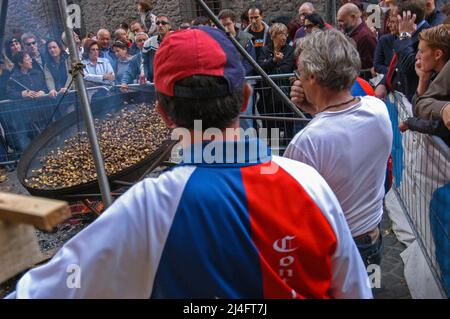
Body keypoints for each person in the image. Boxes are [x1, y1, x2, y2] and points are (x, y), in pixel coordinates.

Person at [7, 26, 371, 299]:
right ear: (245, 96)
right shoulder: (309, 183)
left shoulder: (149, 205)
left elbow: (42, 291)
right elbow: (354, 289)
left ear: (163, 113)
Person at [286, 29, 393, 267]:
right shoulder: (377, 109)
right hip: (371, 236)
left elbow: (295, 215)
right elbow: (344, 126)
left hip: (335, 250)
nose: (299, 80)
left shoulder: (305, 143)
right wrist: (314, 109)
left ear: (312, 76)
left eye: (300, 74)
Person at [399, 24, 450, 144]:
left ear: (437, 54)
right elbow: (419, 110)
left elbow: (437, 126)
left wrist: (410, 122)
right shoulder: (432, 74)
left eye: (421, 51)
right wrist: (423, 80)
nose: (417, 56)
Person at [375, 0, 430, 102]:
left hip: (413, 101)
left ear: (406, 18)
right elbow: (396, 65)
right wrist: (383, 83)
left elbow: (408, 67)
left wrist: (404, 36)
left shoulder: (427, 37)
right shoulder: (409, 34)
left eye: (397, 18)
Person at [337, 3, 378, 73]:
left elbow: (368, 68)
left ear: (353, 18)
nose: (339, 24)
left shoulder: (365, 37)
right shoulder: (351, 33)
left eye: (341, 21)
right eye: (338, 21)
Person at [142, 14, 172, 83]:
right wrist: (145, 76)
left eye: (163, 23)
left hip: (172, 81)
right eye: (157, 23)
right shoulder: (149, 43)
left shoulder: (176, 41)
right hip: (154, 82)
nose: (160, 25)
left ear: (169, 26)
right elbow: (144, 63)